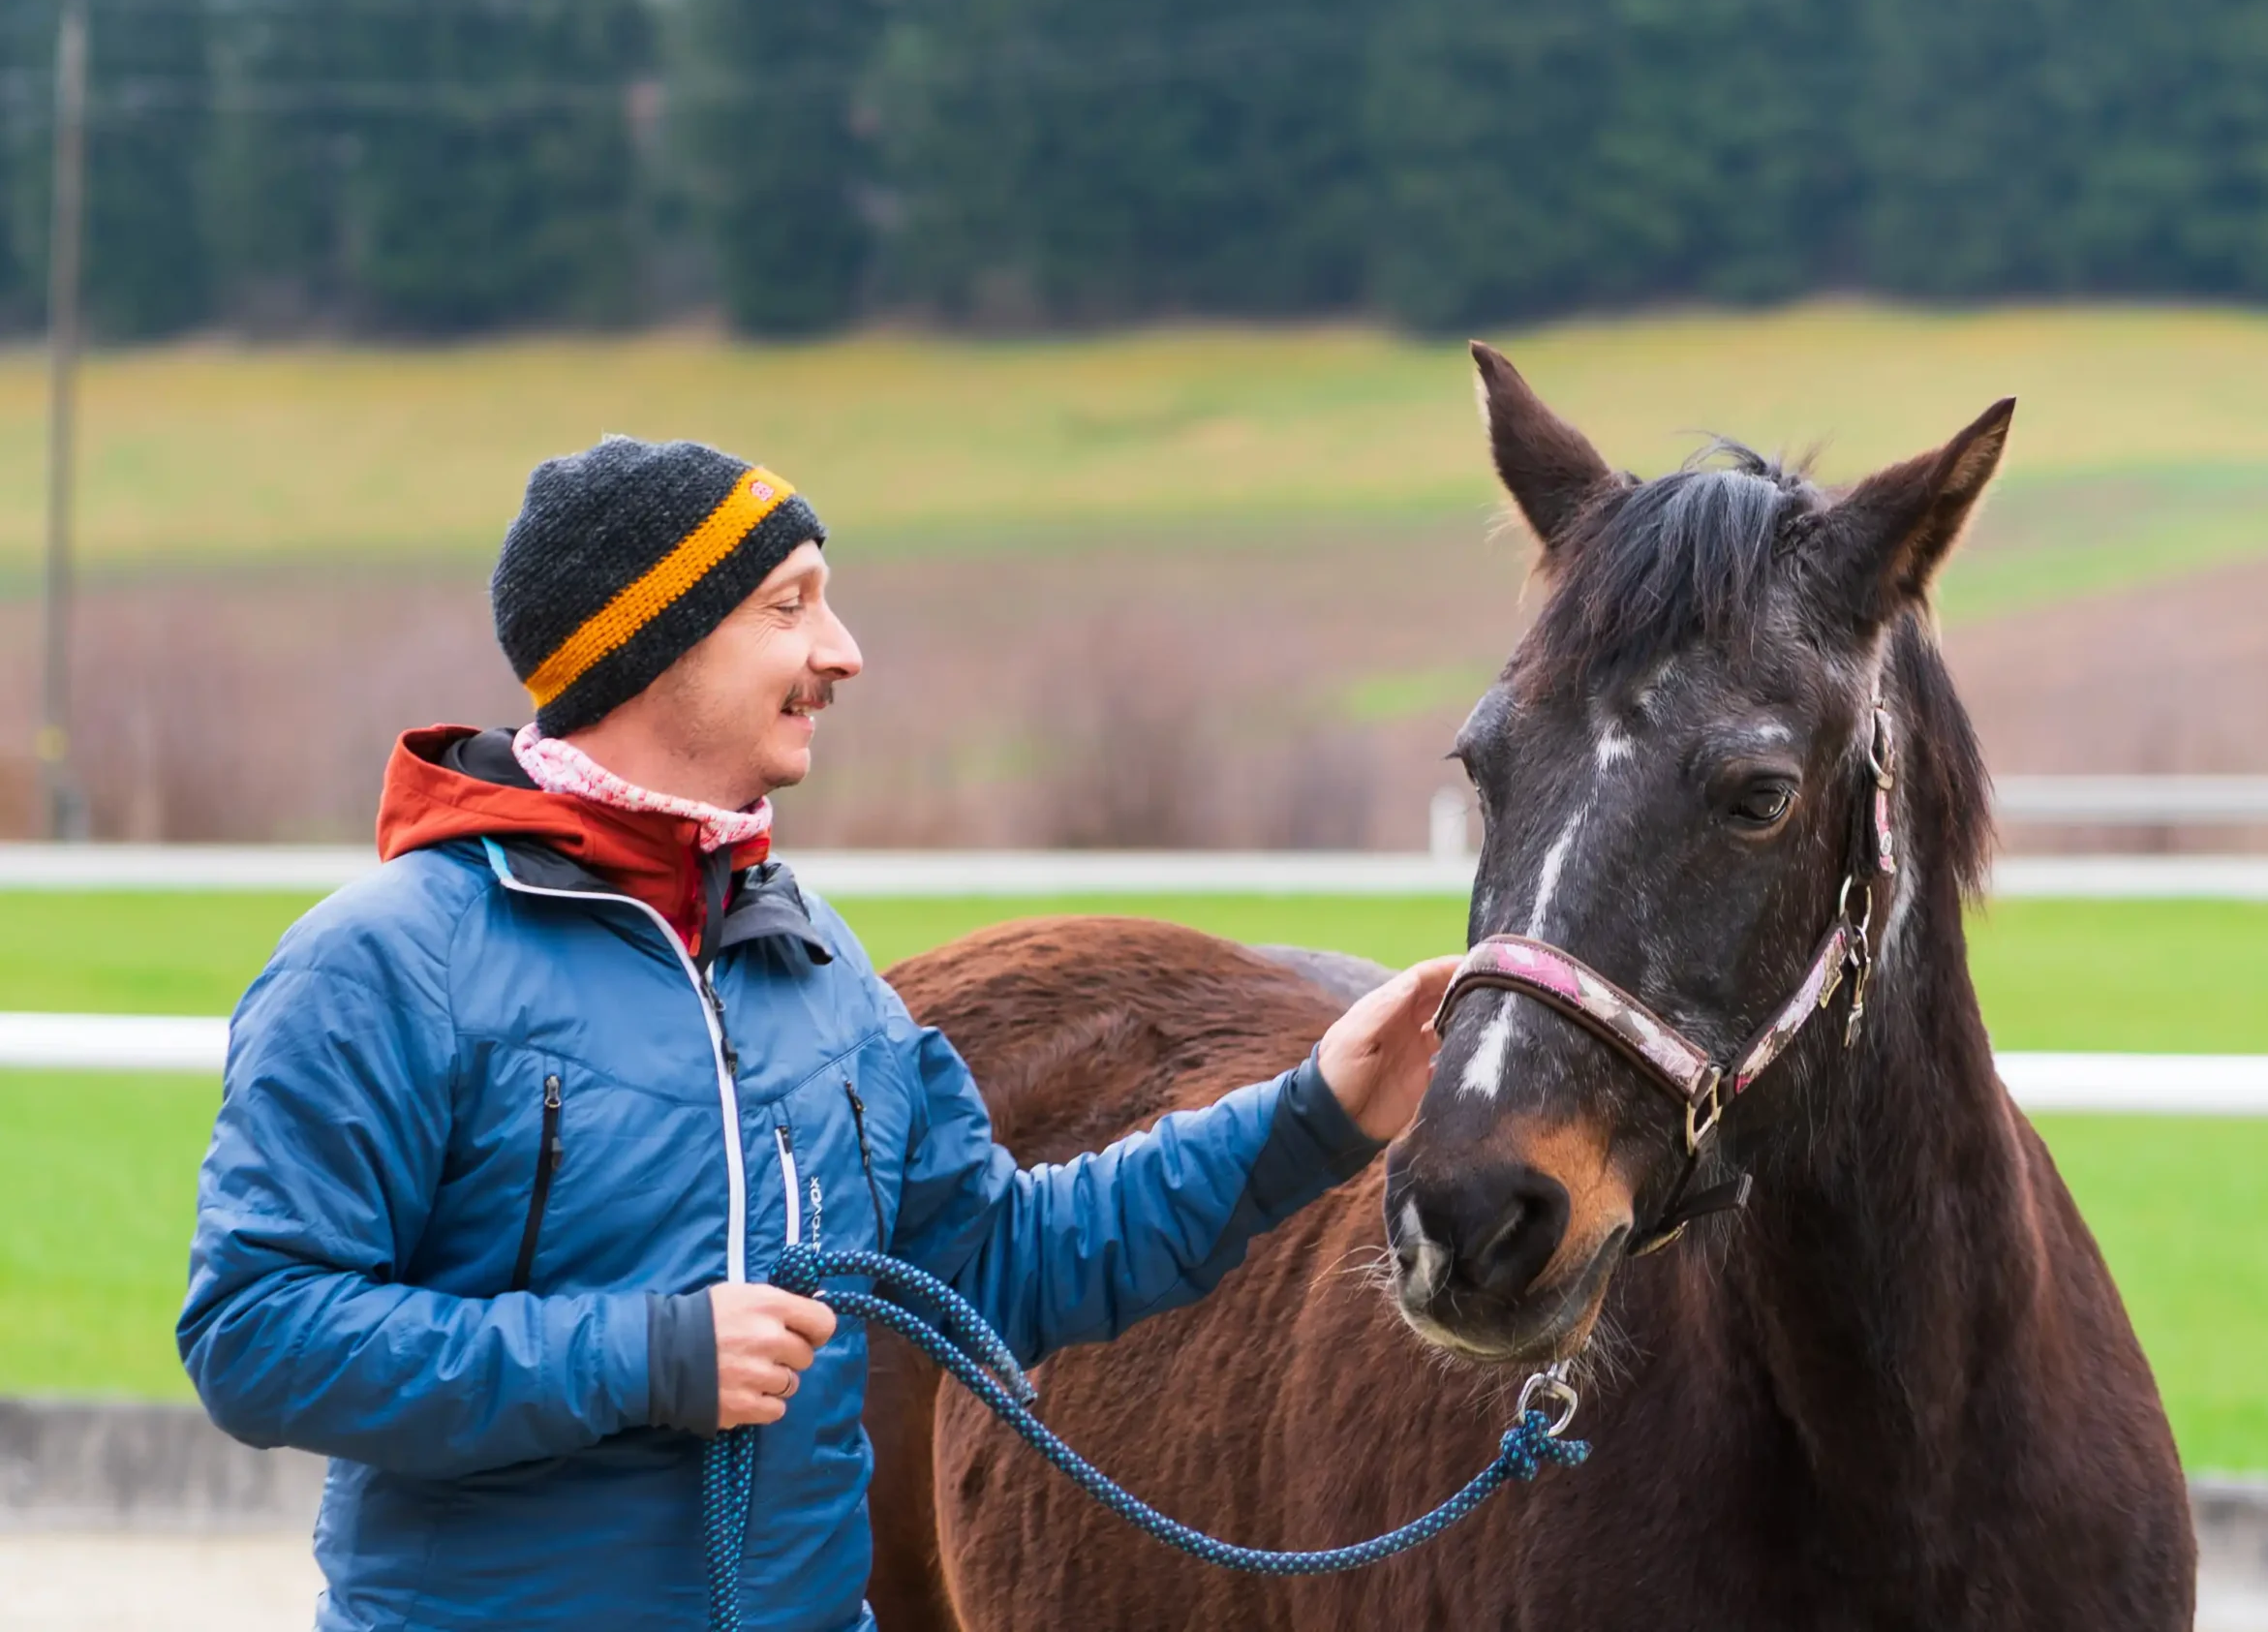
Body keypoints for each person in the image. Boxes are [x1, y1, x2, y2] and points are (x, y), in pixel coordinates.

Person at [177, 438, 1458, 1632]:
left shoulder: (813, 963)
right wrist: (650, 1356)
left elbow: (1007, 1260)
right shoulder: (385, 962)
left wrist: (1321, 1110)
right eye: (789, 606)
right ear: (652, 645)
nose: (840, 652)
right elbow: (259, 1332)